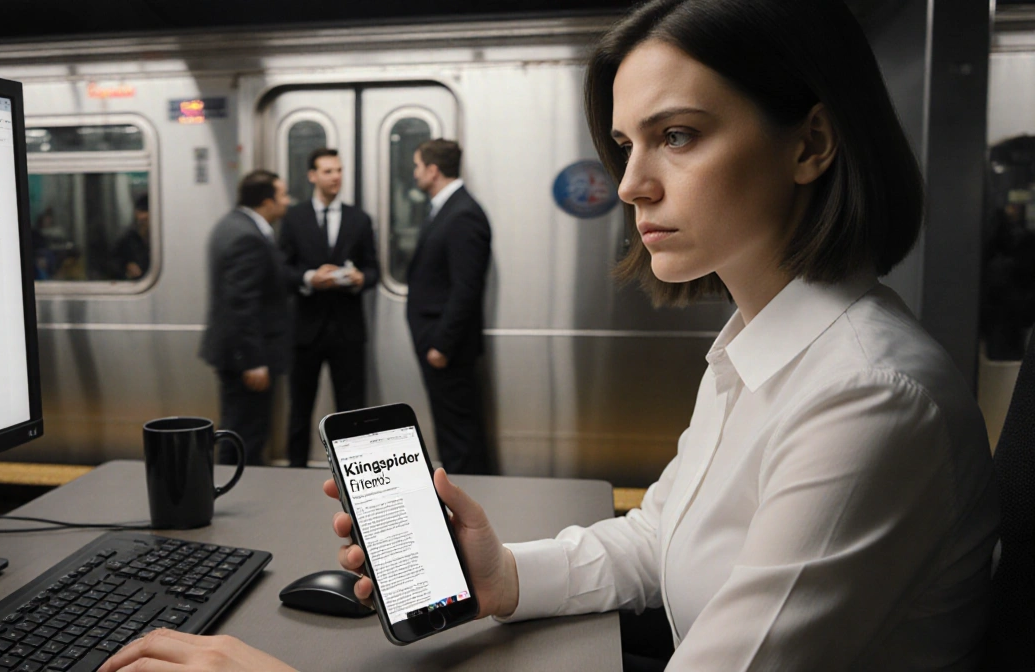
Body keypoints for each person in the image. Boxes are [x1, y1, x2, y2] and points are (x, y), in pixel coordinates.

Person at [99, 1, 1000, 670]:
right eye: (624, 146)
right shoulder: (757, 345)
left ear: (810, 144)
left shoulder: (869, 399)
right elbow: (661, 537)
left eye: (677, 136)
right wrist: (502, 573)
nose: (632, 184)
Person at [278, 148, 380, 467]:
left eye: (339, 170)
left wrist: (360, 277)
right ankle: (294, 469)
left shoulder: (359, 219)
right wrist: (310, 278)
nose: (335, 177)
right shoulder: (294, 218)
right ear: (312, 176)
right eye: (327, 171)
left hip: (347, 329)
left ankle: (355, 470)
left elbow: (374, 269)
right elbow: (283, 270)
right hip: (306, 329)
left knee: (352, 410)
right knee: (300, 407)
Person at [405, 138, 492, 474]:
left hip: (448, 347)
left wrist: (442, 343)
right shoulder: (447, 209)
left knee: (459, 433)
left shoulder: (463, 214)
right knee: (450, 427)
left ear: (432, 169)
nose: (414, 175)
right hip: (439, 342)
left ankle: (471, 495)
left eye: (417, 166)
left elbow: (466, 288)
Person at [198, 170, 291, 466]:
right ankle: (239, 490)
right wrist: (253, 360)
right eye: (283, 195)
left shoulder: (232, 225)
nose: (287, 201)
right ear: (267, 201)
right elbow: (242, 303)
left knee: (239, 428)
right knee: (245, 435)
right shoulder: (247, 237)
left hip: (237, 353)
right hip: (245, 358)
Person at [110, 193, 152, 280]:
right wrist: (126, 269)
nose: (142, 217)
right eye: (140, 212)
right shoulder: (128, 240)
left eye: (146, 212)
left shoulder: (166, 242)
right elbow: (113, 264)